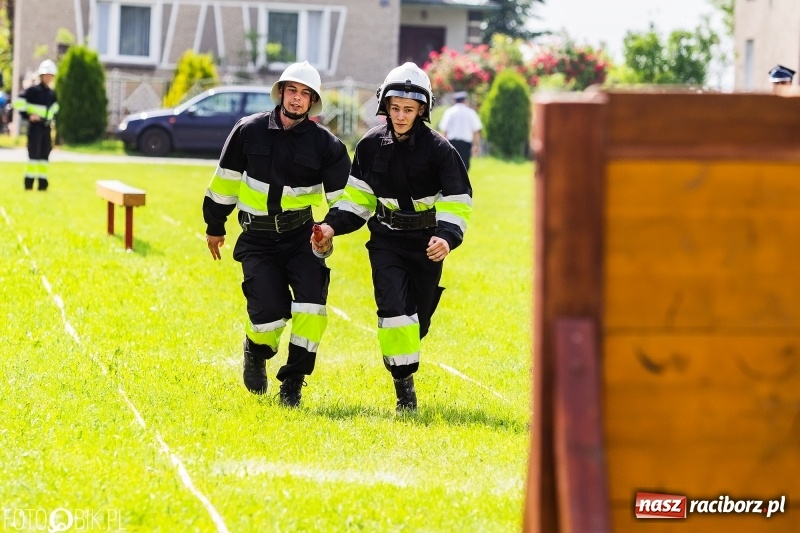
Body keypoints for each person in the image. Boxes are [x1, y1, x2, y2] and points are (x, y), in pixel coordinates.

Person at [311, 62, 473, 413]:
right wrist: (330, 226)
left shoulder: (441, 150)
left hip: (427, 243)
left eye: (409, 110)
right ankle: (404, 389)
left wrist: (446, 237)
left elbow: (458, 200)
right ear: (385, 106)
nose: (400, 116)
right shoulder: (369, 147)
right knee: (393, 311)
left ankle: (408, 353)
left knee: (418, 321)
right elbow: (357, 199)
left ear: (422, 110)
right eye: (395, 108)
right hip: (385, 240)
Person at [203, 61, 351, 407]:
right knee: (269, 315)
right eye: (292, 91)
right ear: (281, 92)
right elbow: (224, 181)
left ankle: (293, 383)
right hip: (257, 239)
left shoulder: (326, 145)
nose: (297, 99)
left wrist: (330, 230)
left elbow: (344, 200)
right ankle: (256, 352)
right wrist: (215, 225)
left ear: (312, 101)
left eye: (305, 94)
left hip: (302, 237)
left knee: (312, 308)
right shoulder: (248, 131)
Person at [13, 59, 59, 190]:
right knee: (33, 155)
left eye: (51, 75)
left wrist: (51, 119)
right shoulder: (32, 91)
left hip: (46, 128)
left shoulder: (51, 94)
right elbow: (18, 103)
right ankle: (29, 184)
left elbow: (55, 110)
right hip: (35, 128)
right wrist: (28, 116)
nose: (49, 78)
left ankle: (43, 185)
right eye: (46, 75)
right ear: (41, 75)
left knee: (45, 155)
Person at [438, 91, 482, 171]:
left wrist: (441, 147)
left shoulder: (449, 112)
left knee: (451, 166)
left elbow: (444, 131)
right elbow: (476, 131)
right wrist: (476, 146)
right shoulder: (471, 113)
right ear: (465, 101)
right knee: (464, 168)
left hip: (451, 143)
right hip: (465, 144)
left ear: (455, 101)